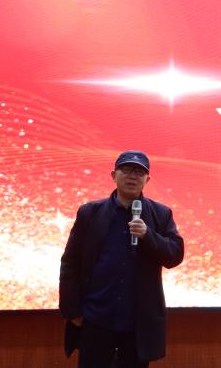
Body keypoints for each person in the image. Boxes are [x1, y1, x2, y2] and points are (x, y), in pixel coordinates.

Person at [59, 150, 184, 367]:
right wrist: (72, 312)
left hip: (137, 323)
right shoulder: (90, 213)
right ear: (113, 175)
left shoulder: (161, 214)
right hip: (96, 318)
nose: (132, 176)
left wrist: (148, 235)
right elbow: (70, 263)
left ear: (147, 179)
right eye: (126, 170)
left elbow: (174, 255)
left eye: (139, 172)